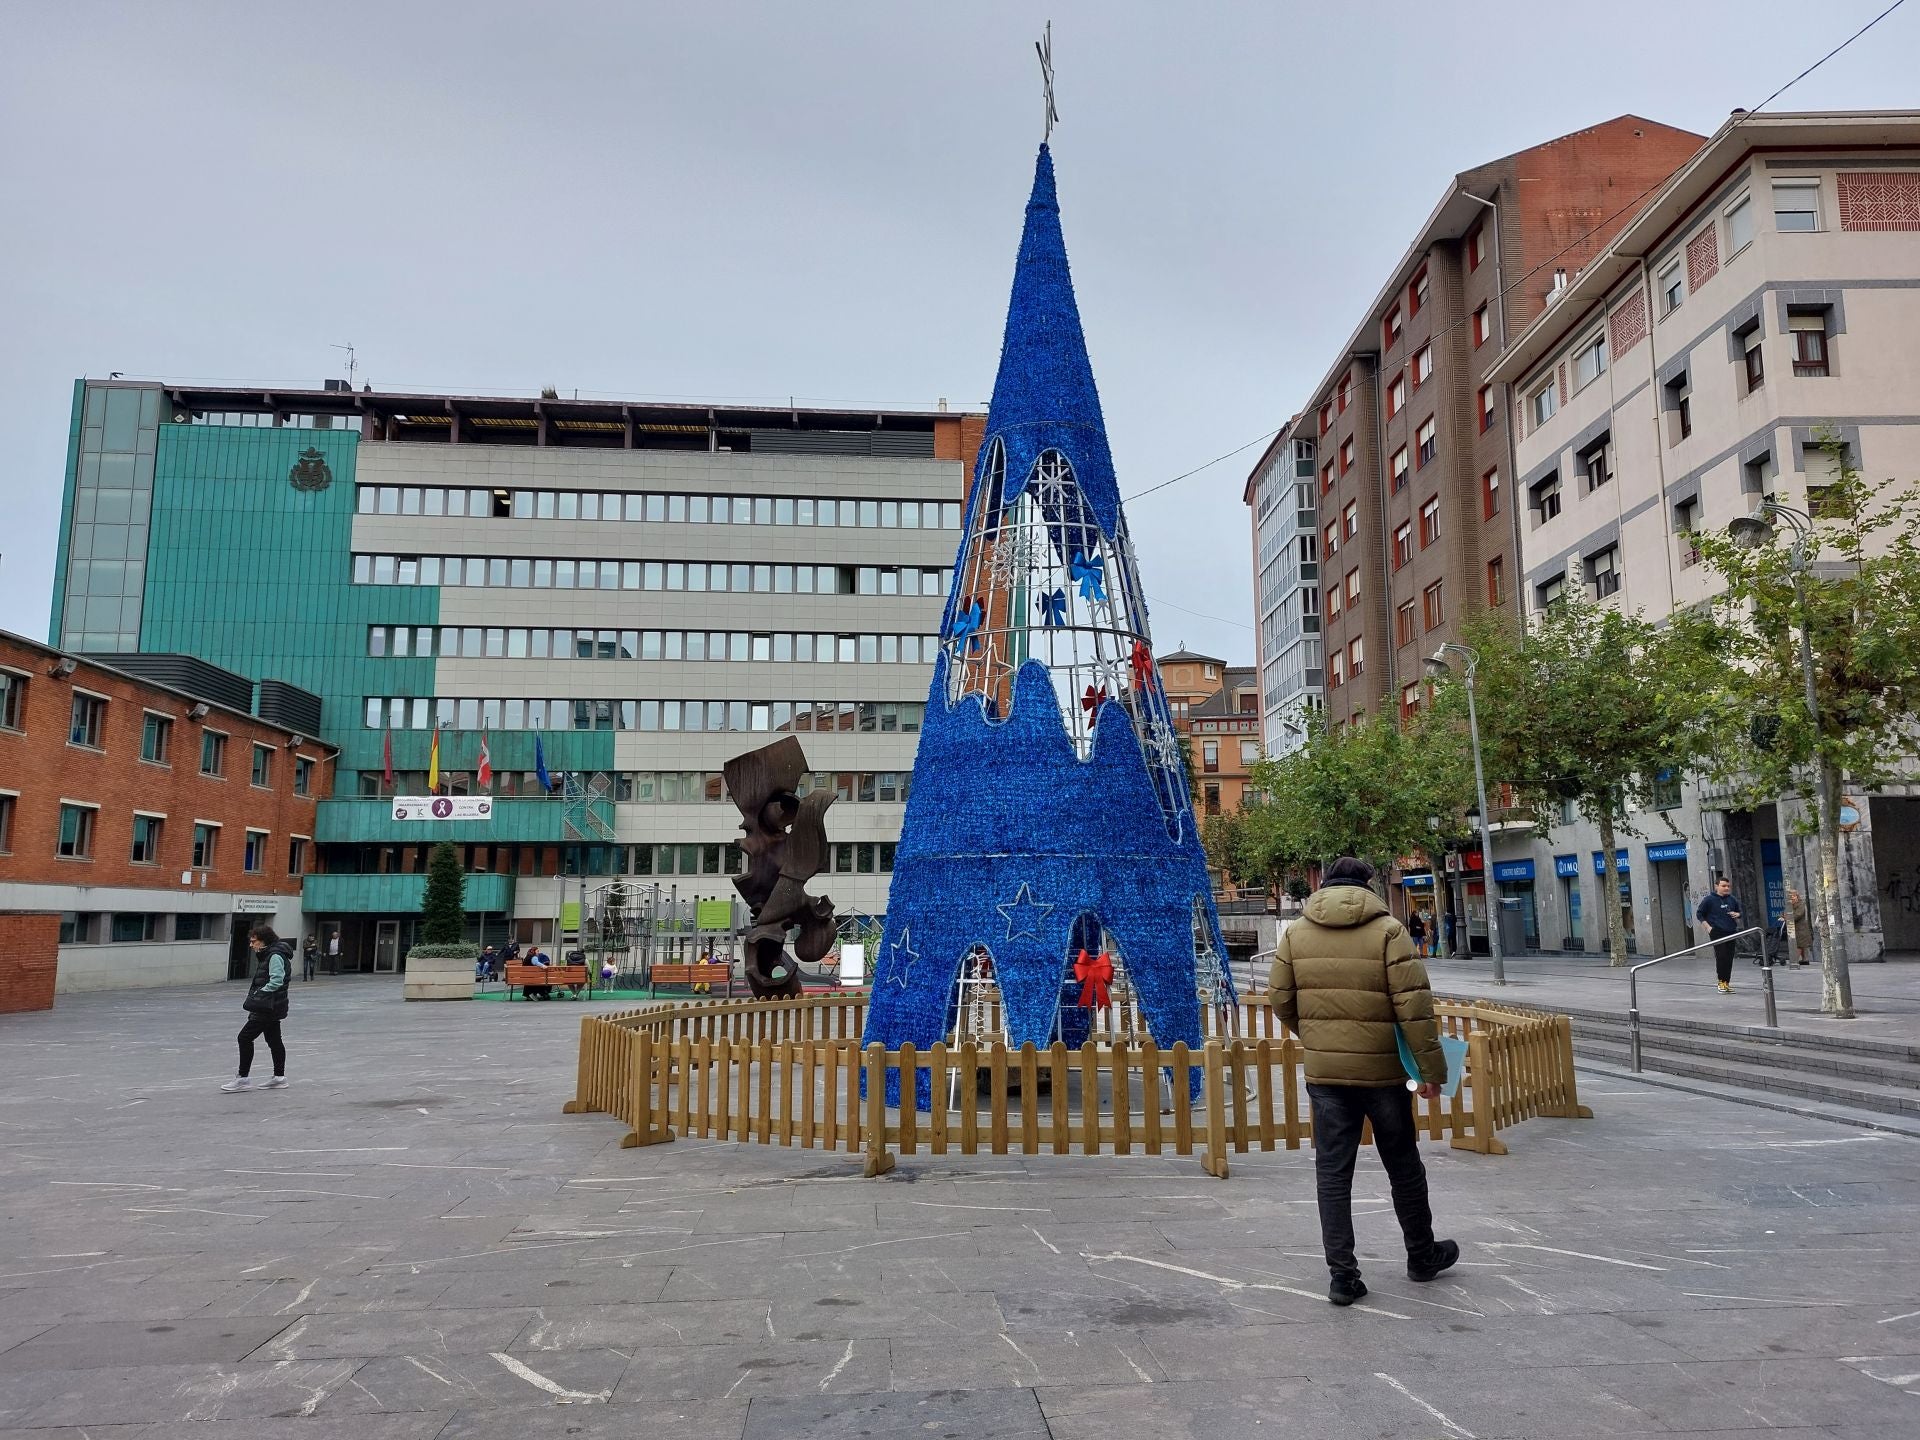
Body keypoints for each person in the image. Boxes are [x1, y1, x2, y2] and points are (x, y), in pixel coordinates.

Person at [1269, 856, 1457, 1307]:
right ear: (1368, 887)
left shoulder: (1295, 932)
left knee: (1332, 1174)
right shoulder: (1390, 931)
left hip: (1327, 1076)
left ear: (1323, 884)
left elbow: (1280, 999)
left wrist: (1317, 1035)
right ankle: (1421, 1255)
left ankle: (1343, 1276)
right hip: (1385, 1074)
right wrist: (1431, 1073)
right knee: (1403, 1164)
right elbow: (1414, 1007)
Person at [222, 924, 291, 1092]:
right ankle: (279, 1077)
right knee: (274, 1040)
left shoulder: (274, 956)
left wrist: (260, 993)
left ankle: (243, 1078)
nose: (251, 945)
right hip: (272, 1005)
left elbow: (277, 980)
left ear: (264, 941)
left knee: (244, 1038)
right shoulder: (270, 954)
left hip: (267, 1006)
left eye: (254, 941)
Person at [1695, 877, 1744, 993]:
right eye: (1723, 886)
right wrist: (1708, 927)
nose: (1726, 888)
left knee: (1729, 958)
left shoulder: (1732, 899)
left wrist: (1737, 914)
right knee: (1721, 957)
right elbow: (1699, 914)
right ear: (1716, 886)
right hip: (1717, 931)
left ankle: (1727, 983)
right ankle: (1721, 982)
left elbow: (1740, 912)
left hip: (1731, 931)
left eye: (1728, 886)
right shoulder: (1709, 900)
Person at [1785, 887, 1813, 966]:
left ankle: (1795, 960)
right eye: (1790, 896)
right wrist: (1783, 916)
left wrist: (1788, 918)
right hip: (1794, 928)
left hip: (1801, 928)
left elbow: (1798, 914)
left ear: (1797, 896)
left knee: (1799, 944)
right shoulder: (1790, 905)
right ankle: (1804, 960)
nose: (1792, 898)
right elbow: (1785, 912)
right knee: (1801, 944)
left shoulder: (1801, 904)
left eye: (1793, 896)